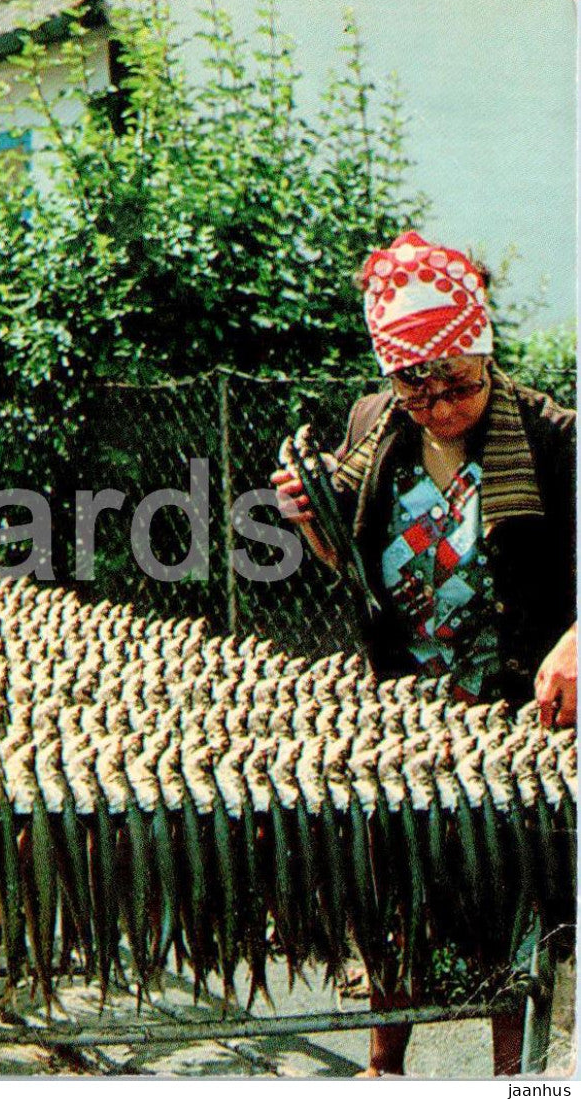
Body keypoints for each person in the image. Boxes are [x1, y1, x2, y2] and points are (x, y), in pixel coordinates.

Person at [273, 230, 576, 1076]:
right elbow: (353, 556)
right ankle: (385, 1069)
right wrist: (309, 519)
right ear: (389, 376)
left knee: (505, 893)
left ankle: (514, 1080)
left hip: (514, 709)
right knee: (396, 886)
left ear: (487, 356)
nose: (440, 405)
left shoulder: (553, 439)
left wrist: (577, 641)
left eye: (460, 385)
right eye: (418, 385)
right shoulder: (376, 428)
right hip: (405, 704)